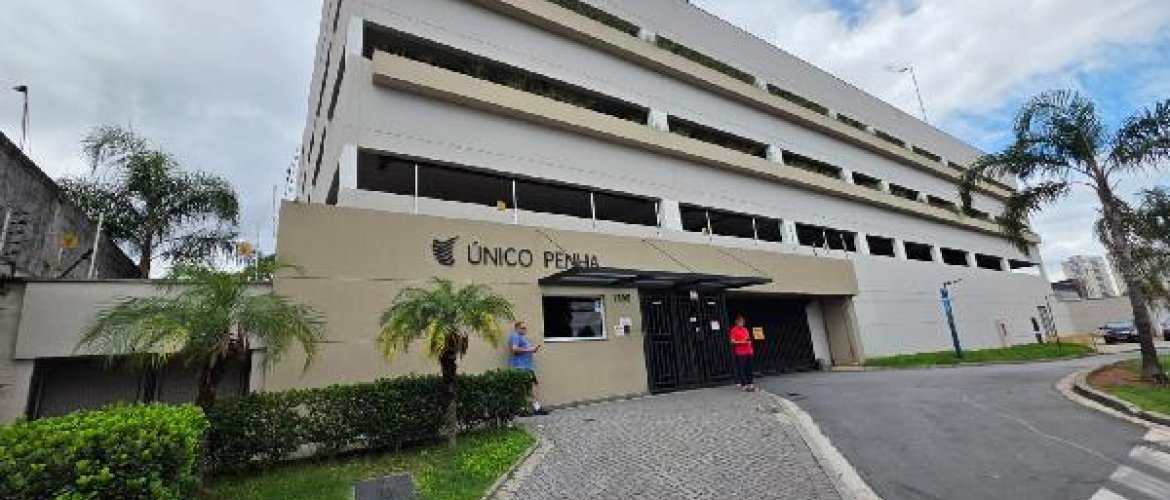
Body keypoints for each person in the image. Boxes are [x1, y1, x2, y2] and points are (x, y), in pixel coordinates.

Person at [507, 321, 549, 415]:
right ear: (517, 328)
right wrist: (529, 349)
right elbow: (514, 349)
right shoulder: (515, 336)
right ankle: (523, 409)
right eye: (522, 328)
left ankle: (535, 407)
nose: (524, 330)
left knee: (532, 386)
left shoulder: (522, 338)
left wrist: (532, 350)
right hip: (520, 366)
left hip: (527, 367)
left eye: (525, 328)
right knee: (524, 387)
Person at [729, 315, 756, 391]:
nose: (742, 323)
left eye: (743, 321)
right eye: (740, 321)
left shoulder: (745, 329)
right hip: (740, 352)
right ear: (736, 322)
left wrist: (749, 342)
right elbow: (732, 341)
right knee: (741, 369)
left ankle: (750, 383)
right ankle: (743, 385)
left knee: (749, 368)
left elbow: (748, 338)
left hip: (749, 351)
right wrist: (742, 342)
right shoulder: (734, 330)